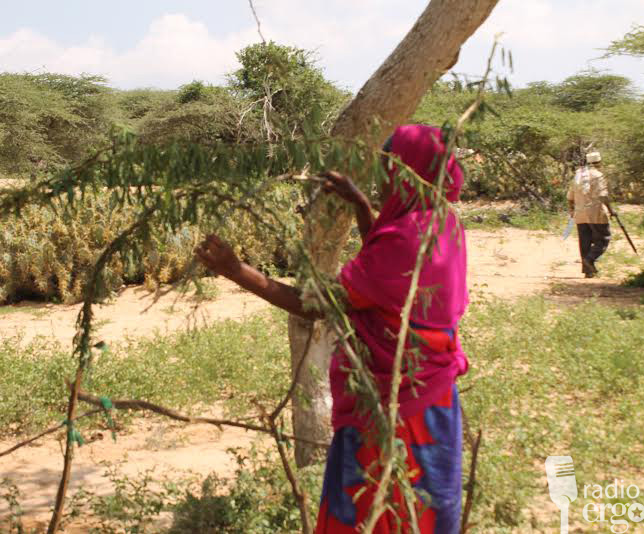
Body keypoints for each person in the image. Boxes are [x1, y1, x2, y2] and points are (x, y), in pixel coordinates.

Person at [195, 124, 469, 533]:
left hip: (392, 412)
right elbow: (386, 277)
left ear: (408, 173)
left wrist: (236, 270)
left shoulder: (401, 242)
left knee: (381, 510)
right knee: (427, 508)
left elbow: (315, 305)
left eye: (390, 168)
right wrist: (360, 206)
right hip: (435, 401)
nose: (382, 177)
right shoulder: (442, 224)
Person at [567, 151, 614, 278]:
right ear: (599, 162)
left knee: (585, 241)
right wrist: (611, 210)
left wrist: (572, 211)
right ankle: (590, 259)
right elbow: (603, 195)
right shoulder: (598, 175)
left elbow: (570, 197)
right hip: (596, 213)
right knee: (604, 238)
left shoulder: (578, 175)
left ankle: (588, 271)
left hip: (580, 213)